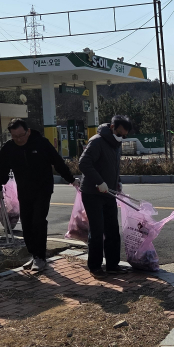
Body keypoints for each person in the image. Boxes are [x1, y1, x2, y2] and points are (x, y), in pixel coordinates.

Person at [0, 118, 79, 272]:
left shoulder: (41, 143)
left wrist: (71, 179)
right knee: (26, 223)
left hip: (43, 189)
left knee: (38, 221)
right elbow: (2, 169)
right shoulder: (9, 148)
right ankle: (34, 254)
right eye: (15, 136)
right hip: (24, 190)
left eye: (21, 135)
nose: (19, 139)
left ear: (28, 131)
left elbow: (58, 162)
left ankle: (40, 256)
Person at [78, 115, 132, 275]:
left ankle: (112, 265)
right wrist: (99, 182)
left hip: (109, 193)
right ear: (112, 127)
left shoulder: (116, 144)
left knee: (112, 230)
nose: (121, 137)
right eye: (119, 133)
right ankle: (95, 267)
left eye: (124, 136)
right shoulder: (97, 141)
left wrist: (118, 181)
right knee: (97, 230)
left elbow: (113, 166)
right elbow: (83, 163)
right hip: (92, 193)